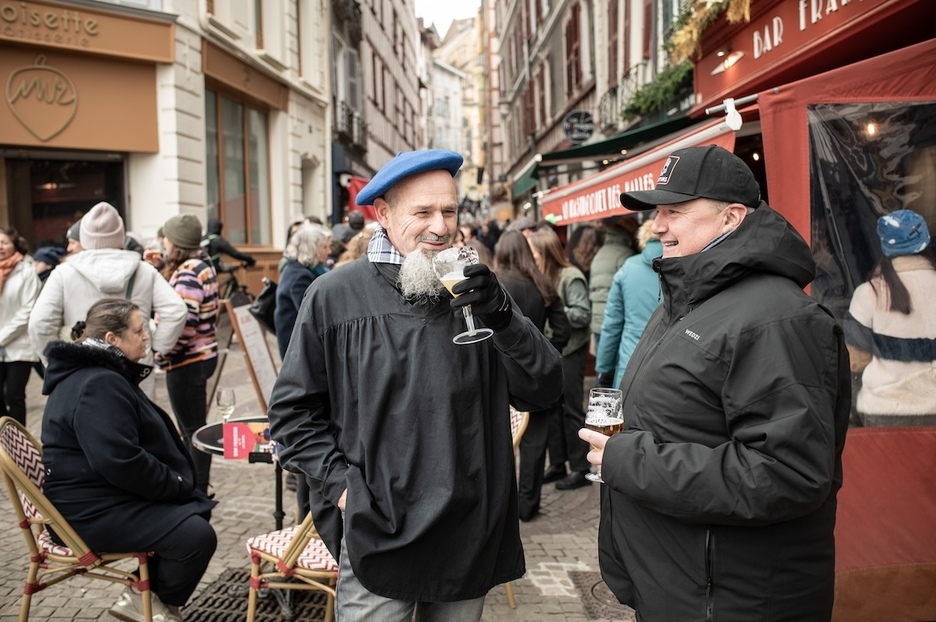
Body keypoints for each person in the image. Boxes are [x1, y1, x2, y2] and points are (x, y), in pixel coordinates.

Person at [267, 149, 563, 621]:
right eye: (422, 212)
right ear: (383, 214)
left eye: (449, 211)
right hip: (379, 533)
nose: (441, 226)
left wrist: (504, 319)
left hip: (469, 529)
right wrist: (347, 492)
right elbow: (291, 415)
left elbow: (544, 388)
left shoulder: (480, 293)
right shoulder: (334, 297)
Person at [581, 145, 851, 620]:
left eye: (675, 211)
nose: (657, 225)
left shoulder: (775, 318)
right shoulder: (685, 299)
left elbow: (789, 473)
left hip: (733, 599)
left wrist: (631, 459)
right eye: (657, 212)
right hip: (682, 586)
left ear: (731, 218)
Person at [41, 298, 217, 622]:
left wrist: (175, 486)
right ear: (112, 339)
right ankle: (147, 600)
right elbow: (118, 460)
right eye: (139, 330)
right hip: (84, 510)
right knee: (195, 535)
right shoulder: (98, 381)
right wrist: (174, 484)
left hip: (92, 494)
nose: (147, 336)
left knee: (192, 512)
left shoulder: (97, 373)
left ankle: (145, 597)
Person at [28, 202, 187, 396]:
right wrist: (156, 346)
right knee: (139, 421)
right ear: (121, 235)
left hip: (82, 368)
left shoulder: (64, 273)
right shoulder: (144, 270)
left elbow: (39, 323)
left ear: (85, 237)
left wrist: (57, 361)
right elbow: (177, 310)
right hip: (135, 368)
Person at [494, 230, 570, 521]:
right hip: (536, 373)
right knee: (535, 444)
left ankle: (505, 506)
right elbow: (561, 329)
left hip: (504, 376)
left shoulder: (496, 286)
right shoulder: (543, 284)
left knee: (501, 442)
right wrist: (548, 353)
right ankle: (528, 504)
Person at [843, 209, 936, 427]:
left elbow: (855, 361)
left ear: (885, 247)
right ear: (926, 242)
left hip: (883, 414)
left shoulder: (869, 293)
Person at [157, 214, 220, 495]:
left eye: (166, 238)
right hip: (201, 355)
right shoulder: (202, 264)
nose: (163, 242)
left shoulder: (187, 272)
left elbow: (184, 323)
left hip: (188, 360)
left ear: (177, 243)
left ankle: (198, 491)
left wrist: (164, 351)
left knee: (192, 430)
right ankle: (198, 486)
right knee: (193, 427)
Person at [528, 227, 593, 490]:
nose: (531, 257)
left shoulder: (570, 275)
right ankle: (558, 464)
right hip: (552, 351)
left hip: (571, 352)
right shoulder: (542, 275)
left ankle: (580, 468)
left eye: (534, 252)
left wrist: (557, 308)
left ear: (546, 252)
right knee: (552, 409)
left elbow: (582, 314)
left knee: (572, 411)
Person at [594, 218, 663, 390]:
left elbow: (611, 325)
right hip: (670, 368)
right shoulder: (686, 267)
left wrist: (604, 369)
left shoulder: (628, 268)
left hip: (630, 365)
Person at [0, 227, 41, 425]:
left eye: (4, 242)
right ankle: (2, 446)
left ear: (15, 245)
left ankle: (18, 445)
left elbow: (28, 310)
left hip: (20, 345)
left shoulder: (26, 272)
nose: (0, 247)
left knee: (14, 395)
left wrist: (2, 337)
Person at [274, 223, 331, 361]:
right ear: (311, 249)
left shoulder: (299, 269)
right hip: (298, 352)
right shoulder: (300, 276)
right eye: (324, 247)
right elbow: (313, 316)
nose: (329, 251)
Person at [588, 215, 638, 354]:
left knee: (603, 368)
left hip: (598, 322)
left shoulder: (600, 253)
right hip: (616, 324)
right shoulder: (626, 255)